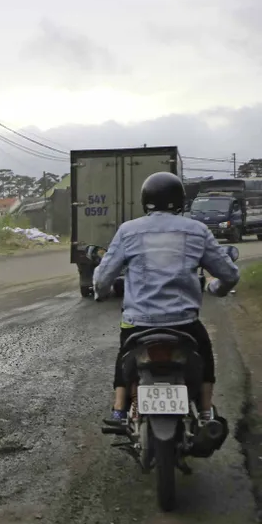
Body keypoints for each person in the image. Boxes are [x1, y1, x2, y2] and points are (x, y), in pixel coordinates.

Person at [92, 171, 240, 424]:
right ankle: (206, 413)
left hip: (138, 322)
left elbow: (103, 278)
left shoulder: (128, 231)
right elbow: (228, 274)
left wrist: (100, 292)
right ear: (180, 200)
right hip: (184, 322)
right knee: (204, 354)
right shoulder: (198, 230)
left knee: (125, 354)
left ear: (145, 200)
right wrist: (217, 289)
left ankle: (118, 410)